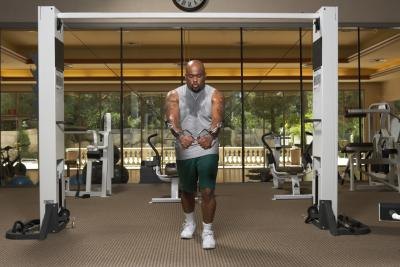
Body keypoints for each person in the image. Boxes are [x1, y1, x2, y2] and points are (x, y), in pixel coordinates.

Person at [165, 60, 224, 249]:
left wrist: (212, 134)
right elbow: (172, 119)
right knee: (187, 190)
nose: (195, 80)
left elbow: (217, 118)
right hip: (185, 146)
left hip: (208, 146)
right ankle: (190, 223)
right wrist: (180, 134)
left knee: (207, 190)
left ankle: (208, 231)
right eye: (191, 76)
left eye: (199, 76)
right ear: (185, 77)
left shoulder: (215, 94)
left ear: (205, 75)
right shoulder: (174, 95)